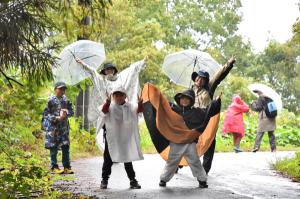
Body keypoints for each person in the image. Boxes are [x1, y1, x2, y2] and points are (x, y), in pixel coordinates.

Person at [159, 89, 220, 188]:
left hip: (189, 142)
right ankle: (163, 179)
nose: (184, 100)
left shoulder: (196, 112)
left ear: (191, 101)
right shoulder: (172, 109)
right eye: (182, 98)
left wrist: (215, 102)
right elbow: (161, 104)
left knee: (195, 161)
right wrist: (155, 95)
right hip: (176, 142)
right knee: (172, 161)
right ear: (179, 99)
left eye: (187, 99)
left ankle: (202, 180)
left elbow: (208, 111)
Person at [191, 56, 236, 174]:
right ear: (195, 78)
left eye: (202, 79)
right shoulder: (190, 90)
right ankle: (178, 165)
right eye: (198, 78)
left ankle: (204, 171)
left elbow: (219, 75)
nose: (199, 80)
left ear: (206, 81)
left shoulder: (209, 88)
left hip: (208, 121)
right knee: (187, 145)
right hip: (195, 122)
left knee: (209, 145)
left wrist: (229, 64)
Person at [99, 86, 144, 189]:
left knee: (127, 158)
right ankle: (104, 180)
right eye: (116, 95)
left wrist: (140, 104)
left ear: (125, 96)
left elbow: (138, 111)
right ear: (113, 96)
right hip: (112, 138)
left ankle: (132, 180)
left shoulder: (130, 106)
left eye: (121, 95)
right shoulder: (110, 106)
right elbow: (103, 112)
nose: (118, 97)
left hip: (125, 137)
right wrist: (107, 103)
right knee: (108, 159)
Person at [42, 82, 74, 174]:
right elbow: (46, 114)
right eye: (60, 89)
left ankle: (67, 167)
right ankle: (54, 166)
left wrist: (66, 112)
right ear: (55, 89)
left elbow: (72, 111)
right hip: (53, 128)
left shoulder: (66, 100)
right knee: (53, 146)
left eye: (64, 89)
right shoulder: (50, 100)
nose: (62, 91)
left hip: (64, 127)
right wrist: (56, 118)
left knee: (65, 146)